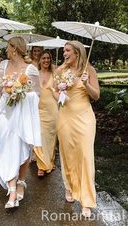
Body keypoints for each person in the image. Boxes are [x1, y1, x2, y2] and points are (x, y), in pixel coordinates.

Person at [0, 37, 42, 209]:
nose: (5, 50)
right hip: (5, 112)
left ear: (15, 48)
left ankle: (18, 184)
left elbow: (37, 94)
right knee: (7, 147)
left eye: (8, 47)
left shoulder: (31, 69)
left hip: (22, 114)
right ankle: (13, 189)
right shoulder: (3, 65)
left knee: (22, 147)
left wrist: (19, 92)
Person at [54, 41, 100, 218]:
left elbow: (96, 95)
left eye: (67, 51)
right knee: (68, 154)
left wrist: (87, 84)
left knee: (86, 156)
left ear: (77, 53)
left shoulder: (90, 70)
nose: (64, 53)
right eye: (64, 51)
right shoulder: (60, 71)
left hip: (85, 118)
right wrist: (61, 95)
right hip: (65, 117)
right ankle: (69, 187)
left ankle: (87, 200)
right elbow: (53, 91)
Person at [34, 49, 58, 177]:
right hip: (38, 109)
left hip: (52, 109)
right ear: (39, 60)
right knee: (39, 135)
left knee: (50, 137)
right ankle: (41, 165)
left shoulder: (55, 74)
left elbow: (59, 90)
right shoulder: (35, 74)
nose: (46, 60)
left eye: (48, 58)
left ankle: (50, 161)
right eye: (43, 58)